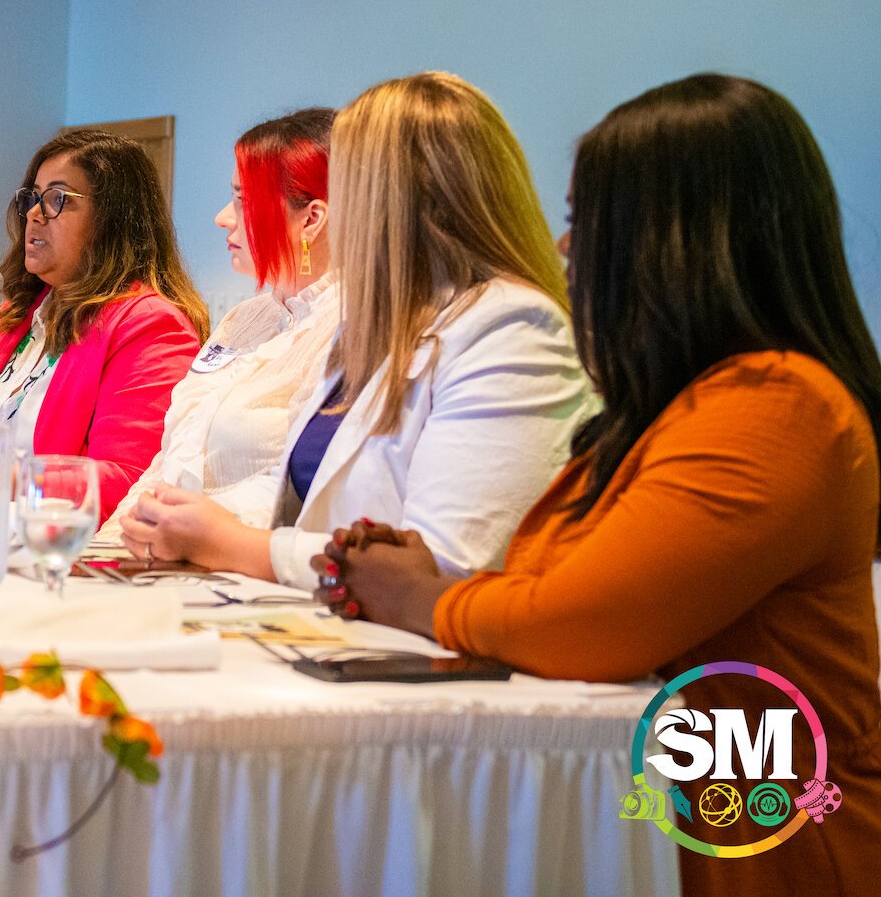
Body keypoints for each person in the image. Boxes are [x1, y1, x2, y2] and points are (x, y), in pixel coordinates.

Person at [315, 74, 881, 895]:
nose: (562, 248)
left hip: (763, 856)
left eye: (584, 220)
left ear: (671, 237)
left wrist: (419, 597)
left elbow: (585, 624)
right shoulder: (681, 408)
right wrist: (431, 576)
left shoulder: (778, 406)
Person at [119, 72, 593, 582]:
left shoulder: (512, 326)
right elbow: (302, 501)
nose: (331, 216)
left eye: (346, 190)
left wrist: (227, 542)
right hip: (315, 621)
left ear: (397, 201)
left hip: (410, 648)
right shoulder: (381, 321)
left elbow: (447, 568)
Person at [0, 130, 207, 519]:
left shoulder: (150, 326)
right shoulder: (23, 316)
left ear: (112, 219)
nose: (33, 213)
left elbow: (130, 480)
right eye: (31, 198)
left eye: (56, 199)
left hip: (62, 556)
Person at [97, 109, 340, 545]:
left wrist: (171, 533)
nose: (223, 217)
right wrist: (107, 545)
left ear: (310, 219)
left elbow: (297, 490)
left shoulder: (345, 327)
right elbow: (166, 461)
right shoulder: (243, 319)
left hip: (241, 571)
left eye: (244, 200)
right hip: (163, 556)